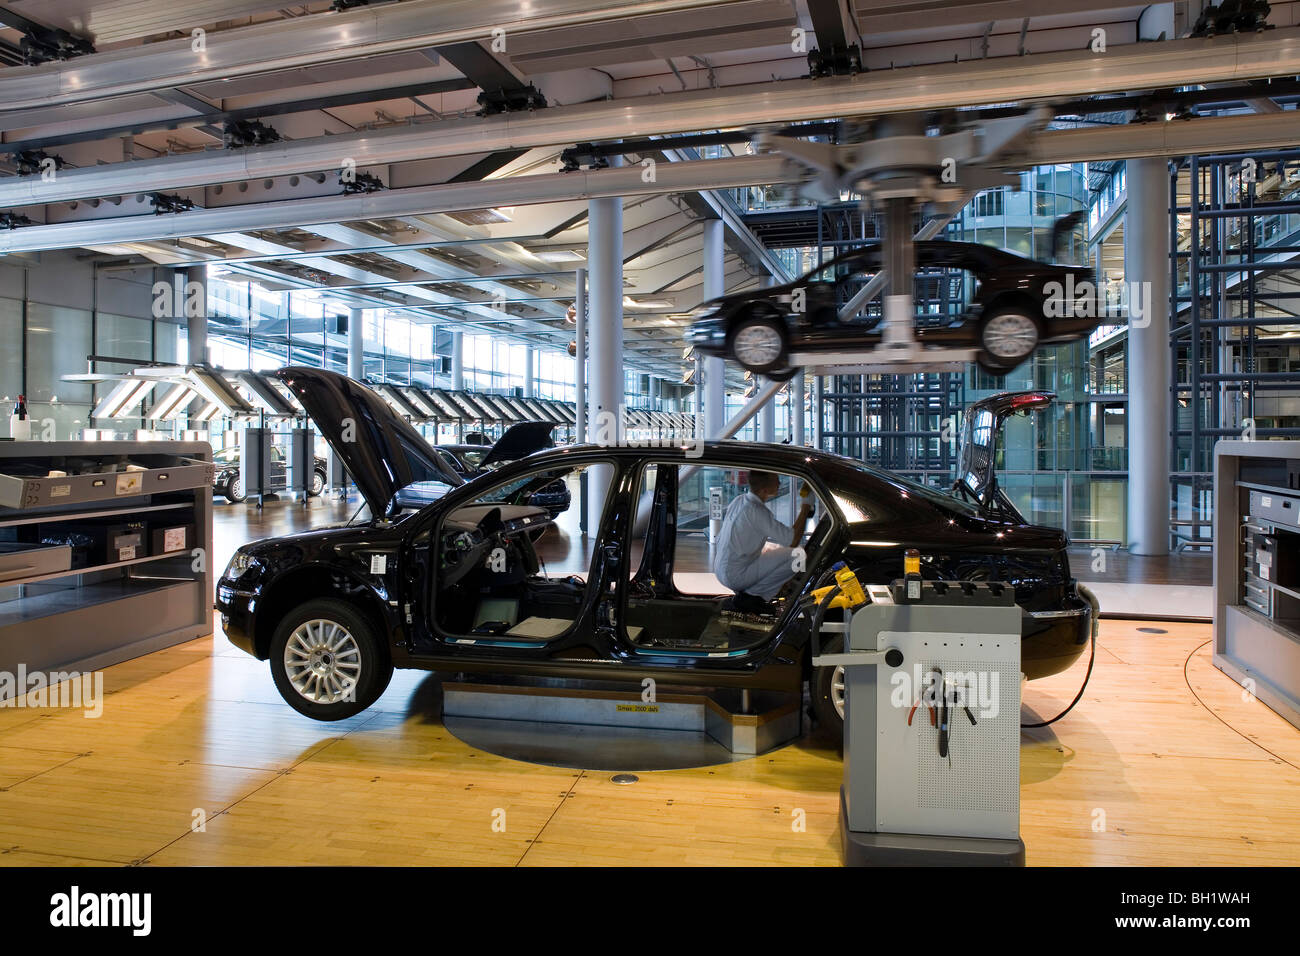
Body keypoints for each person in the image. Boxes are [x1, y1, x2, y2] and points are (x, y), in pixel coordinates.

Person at [713, 470, 814, 607]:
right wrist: (806, 506)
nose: (779, 482)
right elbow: (793, 540)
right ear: (764, 490)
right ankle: (753, 595)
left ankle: (764, 587)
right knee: (799, 555)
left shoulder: (739, 500)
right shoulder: (757, 511)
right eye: (776, 480)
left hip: (721, 569)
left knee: (776, 547)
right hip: (735, 576)